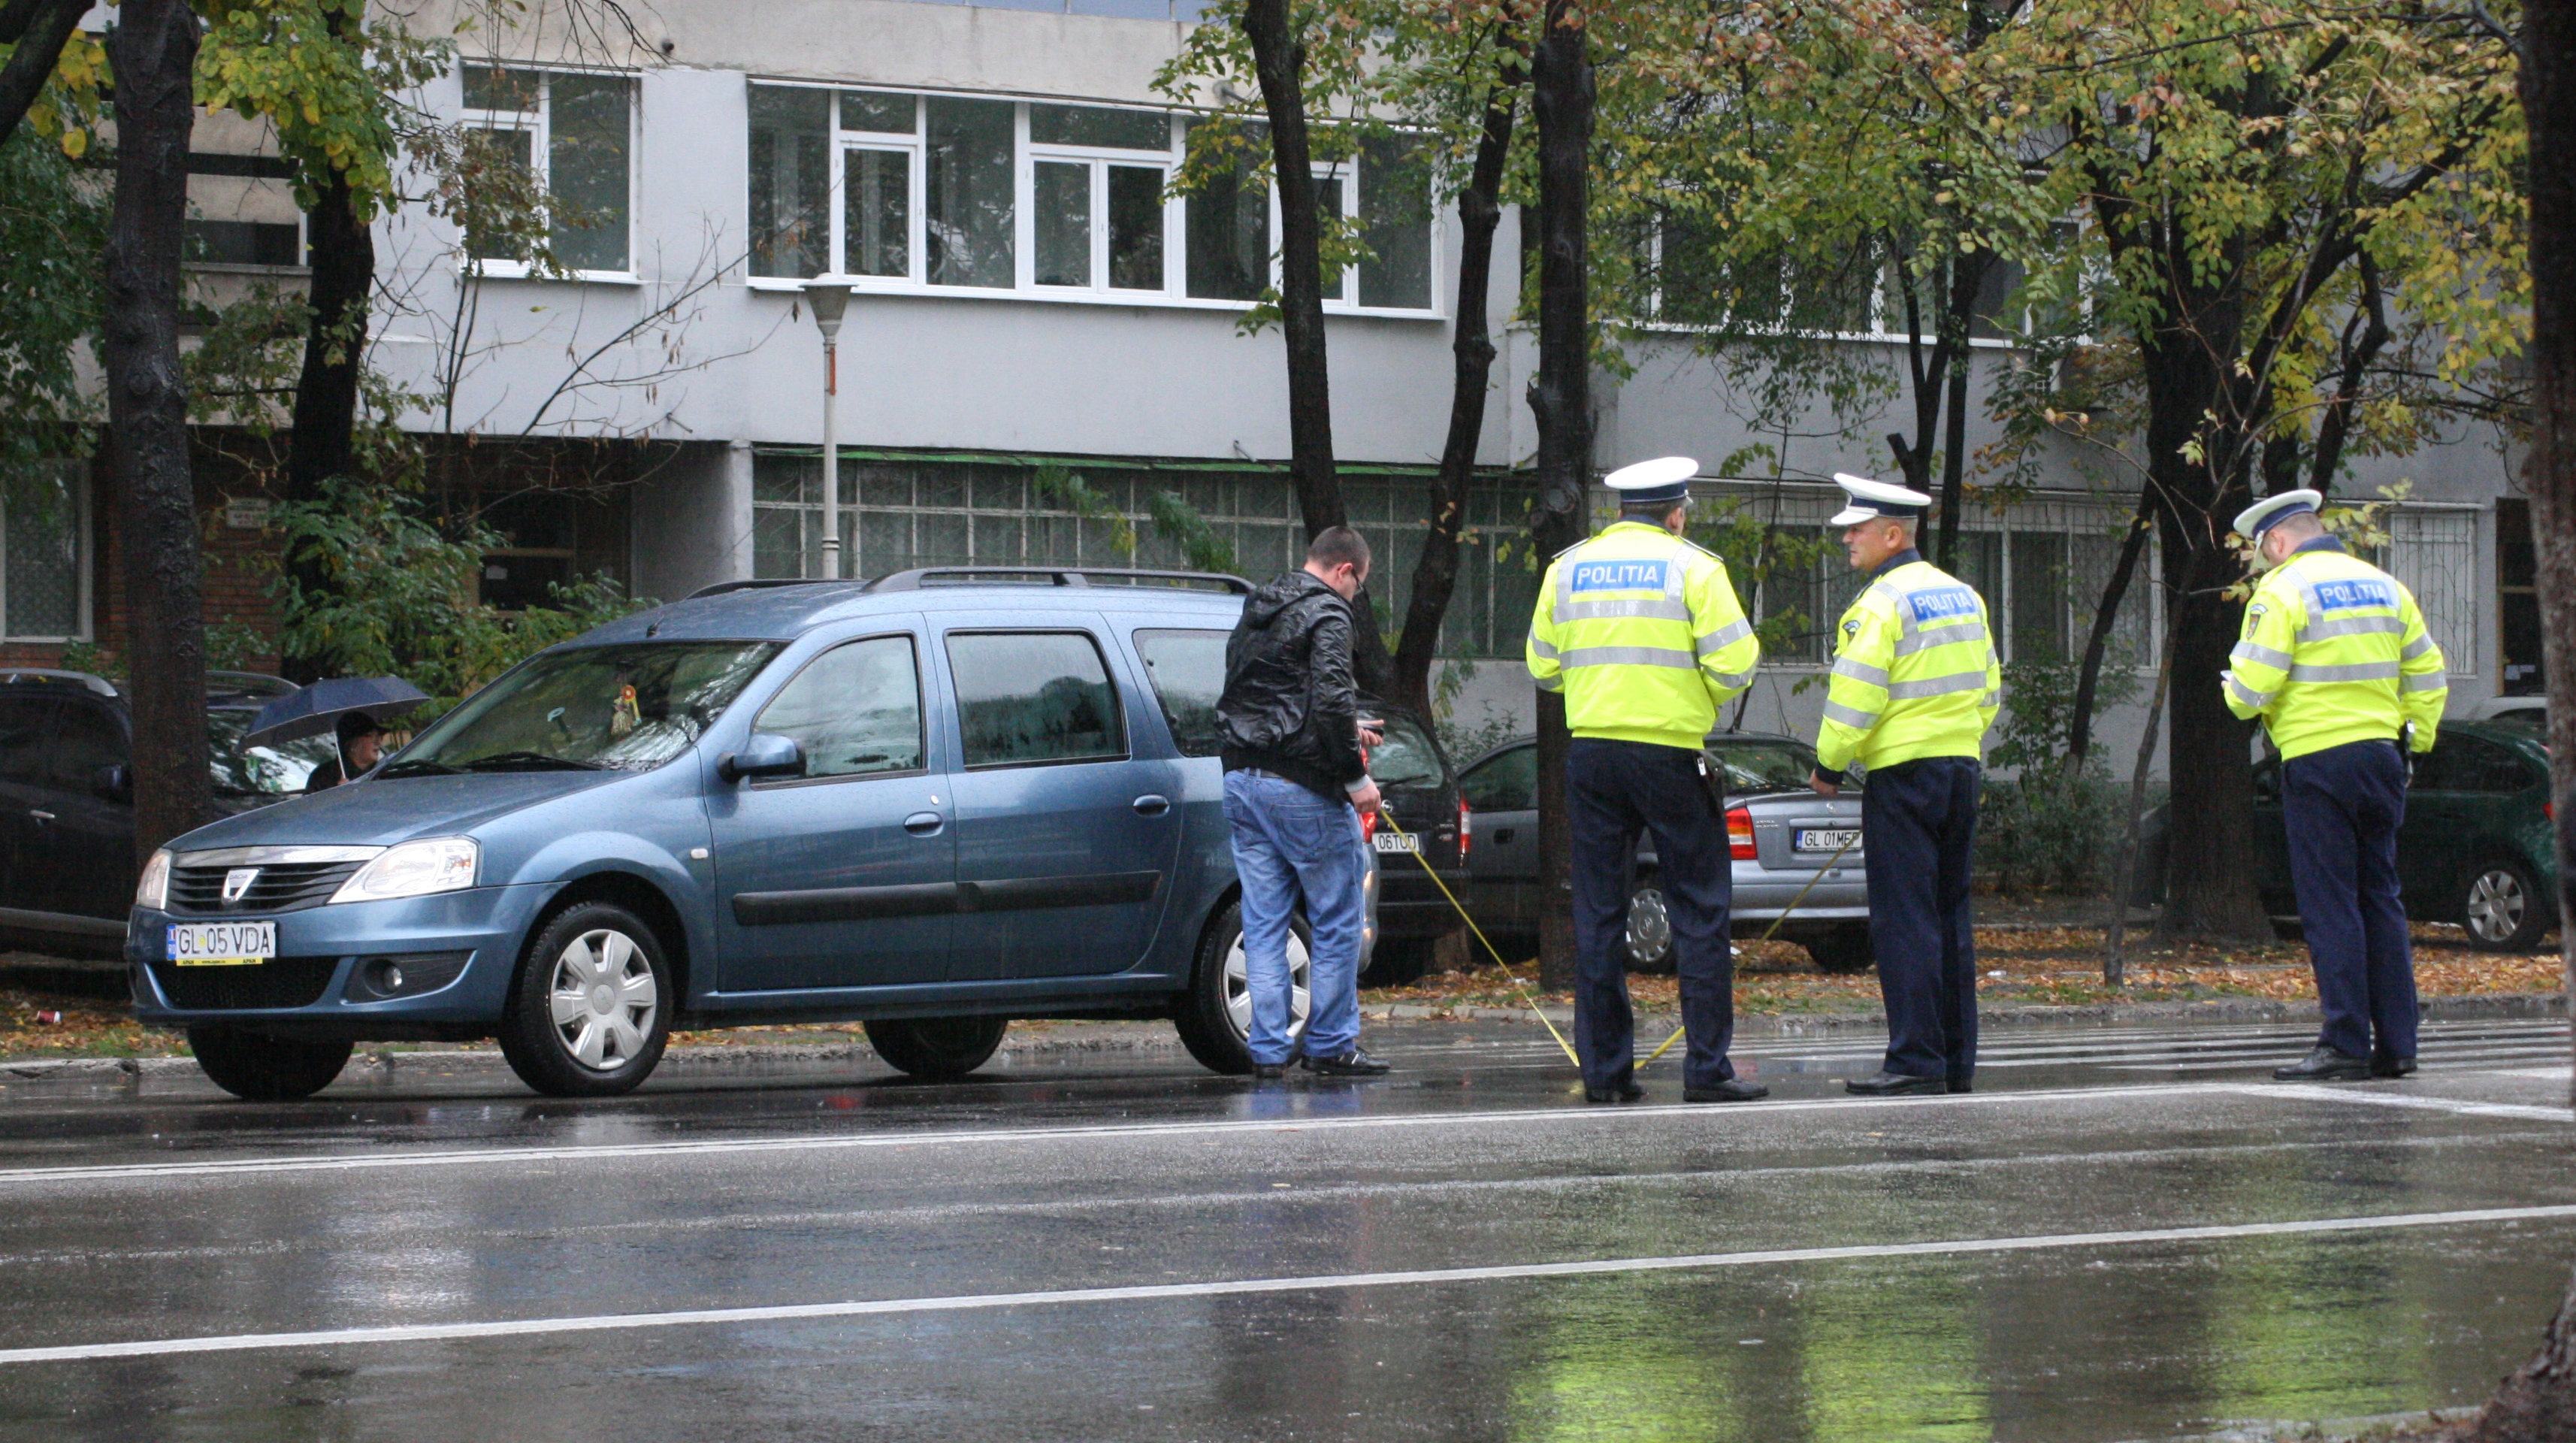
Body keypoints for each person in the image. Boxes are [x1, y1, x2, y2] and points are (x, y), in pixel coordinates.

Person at [1526, 456, 1766, 1106]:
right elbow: (1737, 663)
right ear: (1676, 513)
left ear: (1620, 511)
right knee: (1699, 908)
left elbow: (1543, 666)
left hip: (1593, 754)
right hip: (1669, 752)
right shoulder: (1695, 567)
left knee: (1599, 915)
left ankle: (1606, 1073)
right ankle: (1708, 1069)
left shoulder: (1568, 568)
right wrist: (1699, 696)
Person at [2223, 489, 2446, 1081]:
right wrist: (2413, 743)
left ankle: (2345, 1040)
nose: (2262, 562)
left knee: (2331, 904)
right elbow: (2427, 673)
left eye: (2261, 551)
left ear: (2276, 541)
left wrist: (2234, 688)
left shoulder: (2282, 591)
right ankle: (2398, 1045)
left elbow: (2251, 691)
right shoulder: (2386, 587)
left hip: (2319, 762)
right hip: (2381, 759)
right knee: (2381, 898)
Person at [1810, 473, 2000, 1097]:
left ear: (1894, 535)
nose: (1847, 540)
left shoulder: (1879, 606)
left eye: (1856, 531)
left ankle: (1915, 1059)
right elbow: (1989, 690)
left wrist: (1830, 766)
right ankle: (1954, 1060)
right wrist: (1958, 741)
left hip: (1903, 776)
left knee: (1905, 920)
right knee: (1950, 917)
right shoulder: (1965, 597)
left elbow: (1854, 697)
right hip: (1960, 770)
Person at [1217, 525, 1389, 1081]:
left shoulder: (1258, 607)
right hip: (1301, 789)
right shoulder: (1329, 614)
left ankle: (1268, 1050)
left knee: (1264, 922)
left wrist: (1344, 728)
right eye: (1358, 586)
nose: (1355, 597)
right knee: (1339, 916)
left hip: (1242, 779)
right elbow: (1334, 696)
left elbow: (1271, 698)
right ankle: (1331, 1045)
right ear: (1345, 571)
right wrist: (1355, 775)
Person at [303, 712, 385, 793]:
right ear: (352, 743)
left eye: (379, 736)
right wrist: (338, 795)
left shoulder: (383, 771)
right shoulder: (324, 776)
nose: (378, 742)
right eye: (369, 736)